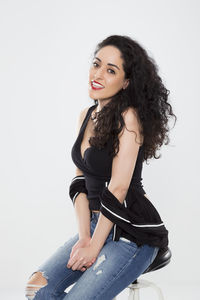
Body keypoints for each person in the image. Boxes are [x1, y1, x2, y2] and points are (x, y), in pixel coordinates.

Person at [25, 35, 177, 300]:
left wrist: (94, 247)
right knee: (37, 289)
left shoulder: (129, 118)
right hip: (97, 225)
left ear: (126, 82)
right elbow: (79, 182)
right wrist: (85, 237)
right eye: (96, 65)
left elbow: (118, 188)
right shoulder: (85, 116)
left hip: (131, 233)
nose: (98, 75)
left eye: (111, 70)